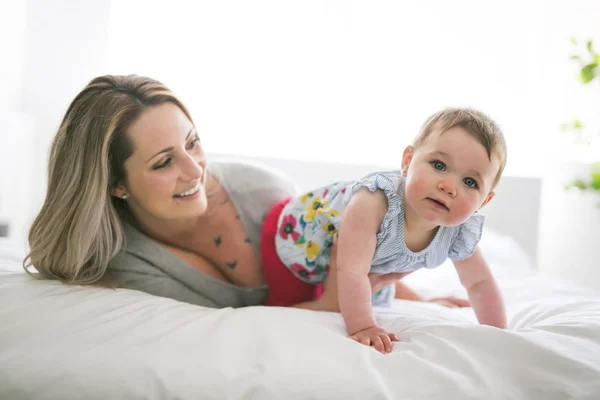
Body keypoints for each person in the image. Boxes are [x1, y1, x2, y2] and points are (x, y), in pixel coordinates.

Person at [23, 74, 469, 319]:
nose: (194, 168)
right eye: (163, 162)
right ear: (114, 183)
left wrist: (420, 302)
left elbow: (354, 246)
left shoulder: (263, 191)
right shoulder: (122, 258)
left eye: (193, 142)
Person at [261, 107, 508, 354]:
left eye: (469, 182)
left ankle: (410, 296)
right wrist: (364, 326)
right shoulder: (375, 202)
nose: (448, 186)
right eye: (439, 165)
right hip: (293, 238)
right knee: (291, 305)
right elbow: (352, 270)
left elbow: (479, 282)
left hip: (356, 261)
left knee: (373, 286)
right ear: (407, 162)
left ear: (484, 201)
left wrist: (499, 333)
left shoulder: (460, 233)